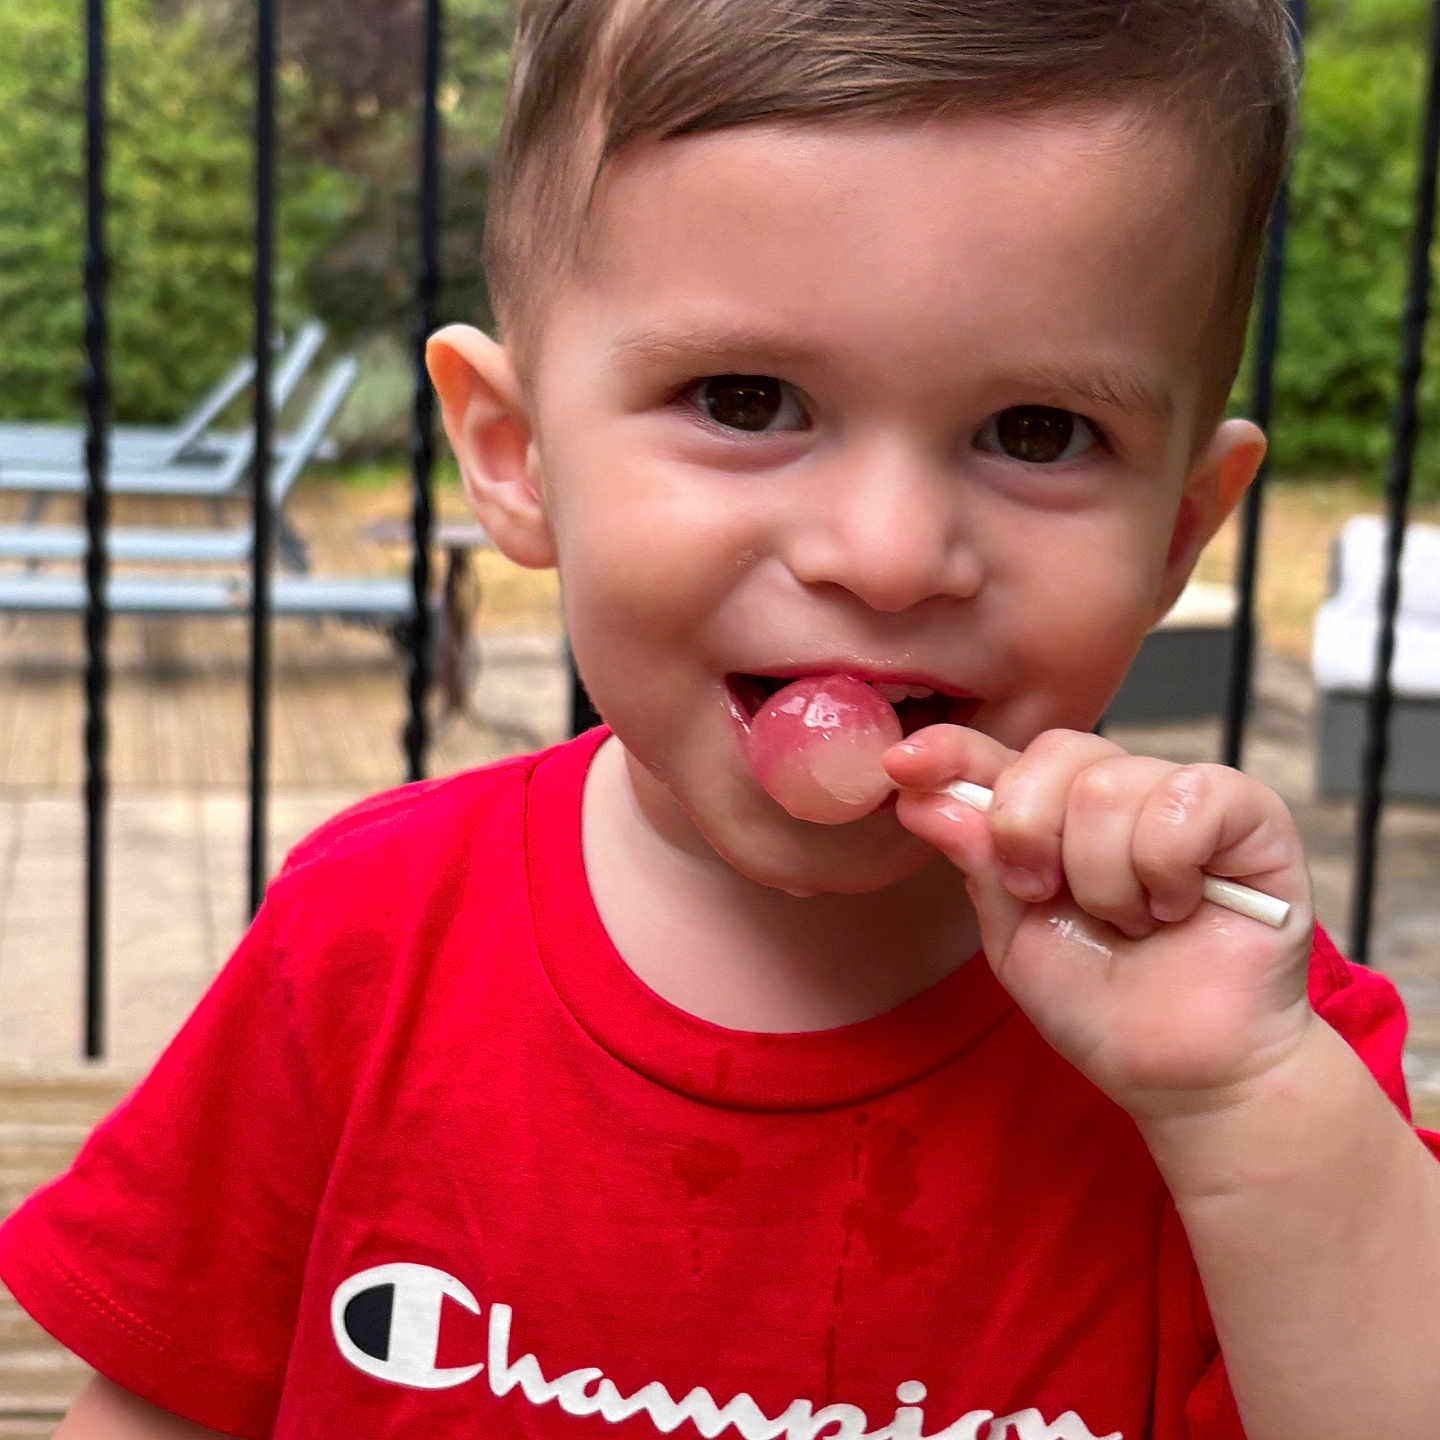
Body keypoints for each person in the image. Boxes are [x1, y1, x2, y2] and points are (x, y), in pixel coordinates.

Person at [6, 1, 1440, 1436]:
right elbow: (163, 1396)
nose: (883, 552)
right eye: (748, 399)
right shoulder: (367, 944)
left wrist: (1243, 1108)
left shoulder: (1242, 1032)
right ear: (518, 459)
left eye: (1039, 432)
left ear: (1181, 530)